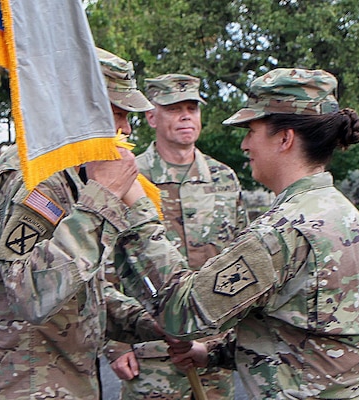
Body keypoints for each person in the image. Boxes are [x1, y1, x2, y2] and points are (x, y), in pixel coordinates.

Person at [115, 68, 359, 399]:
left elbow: (181, 313)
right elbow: (297, 329)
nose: (244, 144)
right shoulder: (343, 214)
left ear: (285, 139)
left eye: (251, 131)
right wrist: (209, 352)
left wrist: (137, 204)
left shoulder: (283, 231)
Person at [0, 48, 161, 400]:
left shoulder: (70, 174)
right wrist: (102, 200)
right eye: (117, 113)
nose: (125, 129)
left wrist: (151, 324)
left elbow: (77, 296)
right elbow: (30, 292)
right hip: (20, 386)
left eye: (129, 117)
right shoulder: (38, 176)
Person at [105, 74, 248, 399]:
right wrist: (115, 344)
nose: (186, 116)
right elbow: (107, 262)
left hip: (214, 347)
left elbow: (242, 258)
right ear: (152, 117)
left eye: (192, 108)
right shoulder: (128, 177)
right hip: (152, 350)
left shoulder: (224, 178)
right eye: (173, 109)